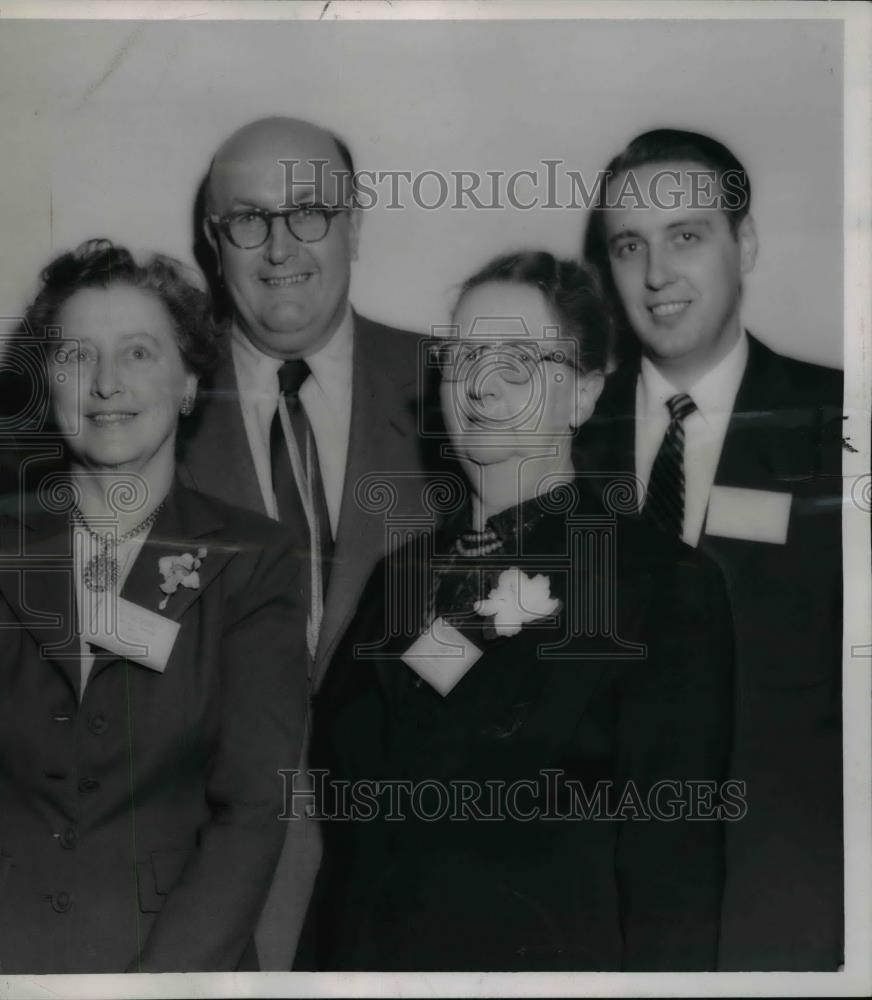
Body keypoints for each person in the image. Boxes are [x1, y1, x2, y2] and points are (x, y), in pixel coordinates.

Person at [296, 251, 735, 971]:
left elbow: (673, 880)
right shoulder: (398, 578)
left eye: (521, 360)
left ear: (585, 395)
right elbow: (348, 854)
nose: (482, 383)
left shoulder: (659, 584)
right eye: (463, 355)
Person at [0, 240, 308, 973]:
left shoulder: (254, 560)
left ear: (189, 382)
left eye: (138, 353)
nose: (106, 384)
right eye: (77, 357)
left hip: (179, 965)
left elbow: (252, 811)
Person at [577, 128, 844, 970]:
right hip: (597, 921)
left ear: (746, 242)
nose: (656, 276)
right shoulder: (562, 439)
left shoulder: (843, 425)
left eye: (686, 236)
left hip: (790, 909)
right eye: (630, 246)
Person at [180, 115, 431, 967]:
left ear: (355, 222)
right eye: (247, 220)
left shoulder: (460, 387)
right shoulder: (141, 405)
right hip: (208, 897)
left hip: (417, 883)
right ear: (216, 244)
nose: (280, 247)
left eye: (309, 213)